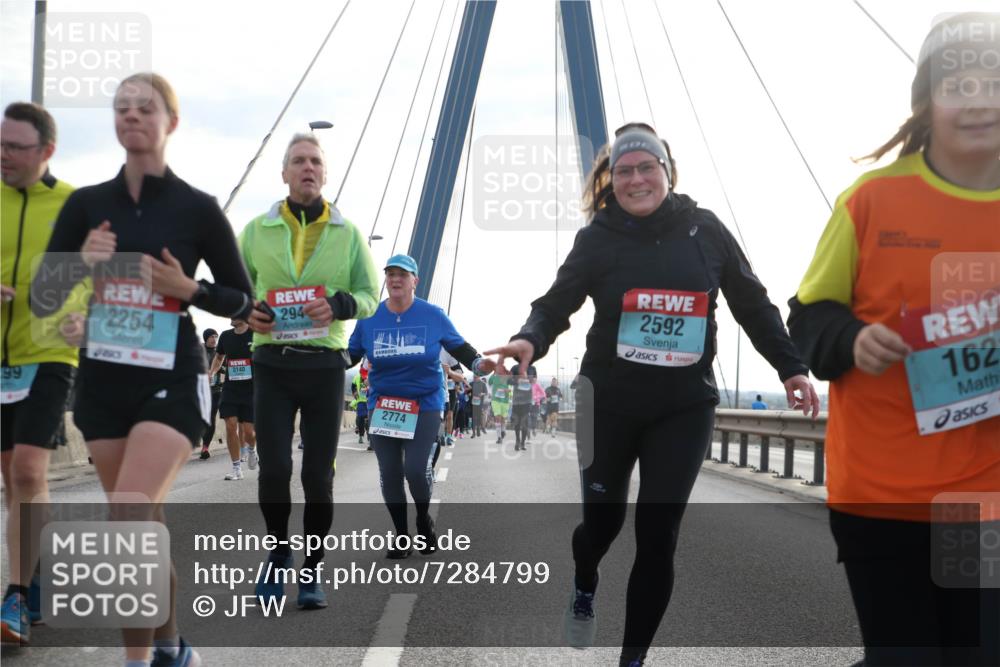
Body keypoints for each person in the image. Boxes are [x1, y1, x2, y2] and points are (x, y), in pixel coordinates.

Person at [486, 122, 819, 666]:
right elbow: (556, 303)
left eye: (647, 168)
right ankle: (585, 578)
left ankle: (632, 660)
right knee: (602, 524)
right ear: (609, 179)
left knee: (658, 530)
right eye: (624, 171)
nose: (636, 179)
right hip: (606, 401)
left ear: (667, 171)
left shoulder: (705, 230)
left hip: (683, 404)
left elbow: (753, 305)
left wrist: (792, 368)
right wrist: (529, 339)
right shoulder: (597, 237)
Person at [788, 12, 999, 666]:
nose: (978, 100)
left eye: (992, 81)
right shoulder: (871, 202)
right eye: (957, 85)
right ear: (925, 104)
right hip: (881, 494)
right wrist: (851, 339)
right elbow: (808, 318)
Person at [31, 72, 254, 666]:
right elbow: (42, 300)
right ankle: (171, 646)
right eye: (121, 107)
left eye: (145, 107)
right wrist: (80, 261)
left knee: (129, 512)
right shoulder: (87, 205)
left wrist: (190, 287)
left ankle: (137, 663)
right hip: (104, 383)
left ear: (170, 123)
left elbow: (242, 302)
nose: (131, 115)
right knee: (142, 523)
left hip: (172, 379)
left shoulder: (197, 210)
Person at [241, 132, 379, 611]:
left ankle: (312, 569)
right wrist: (247, 312)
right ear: (284, 173)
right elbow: (236, 290)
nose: (307, 167)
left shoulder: (349, 233)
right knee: (275, 469)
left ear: (325, 173)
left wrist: (341, 304)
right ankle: (279, 553)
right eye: (298, 160)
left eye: (315, 161)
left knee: (318, 476)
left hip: (324, 365)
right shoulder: (256, 229)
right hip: (272, 364)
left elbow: (369, 295)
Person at [348, 254, 494, 559]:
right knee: (389, 473)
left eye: (403, 274)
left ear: (415, 280)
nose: (395, 279)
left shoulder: (433, 315)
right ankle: (401, 535)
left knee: (415, 469)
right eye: (390, 274)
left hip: (424, 403)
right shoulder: (370, 318)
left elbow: (460, 348)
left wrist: (480, 364)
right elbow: (349, 355)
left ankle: (423, 519)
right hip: (383, 404)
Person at [0, 101, 79, 645]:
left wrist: (88, 314)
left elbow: (104, 270)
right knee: (14, 480)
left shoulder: (75, 205)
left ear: (46, 150)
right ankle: (36, 572)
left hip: (51, 355)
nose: (3, 155)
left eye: (14, 147)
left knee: (28, 470)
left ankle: (16, 598)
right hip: (0, 359)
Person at [209, 319, 257, 480]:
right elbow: (219, 357)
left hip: (251, 389)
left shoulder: (256, 333)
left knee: (249, 432)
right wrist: (212, 371)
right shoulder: (225, 336)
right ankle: (236, 468)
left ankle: (251, 449)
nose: (231, 316)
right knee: (230, 426)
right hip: (231, 388)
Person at [199, 328, 223, 459]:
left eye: (216, 336)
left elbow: (226, 367)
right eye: (211, 337)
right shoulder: (198, 350)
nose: (214, 339)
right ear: (206, 338)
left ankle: (205, 447)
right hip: (199, 390)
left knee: (211, 417)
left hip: (216, 390)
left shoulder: (220, 352)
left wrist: (219, 371)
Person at [488, 372, 510, 445]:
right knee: (498, 417)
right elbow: (489, 382)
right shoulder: (494, 377)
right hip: (495, 401)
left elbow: (511, 390)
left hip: (505, 401)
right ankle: (499, 437)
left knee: (503, 419)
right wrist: (493, 373)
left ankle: (503, 430)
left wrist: (506, 391)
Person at [471, 373, 488, 437]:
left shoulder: (483, 384)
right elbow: (468, 390)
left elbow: (486, 393)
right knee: (473, 417)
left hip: (480, 403)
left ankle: (478, 430)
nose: (474, 378)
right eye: (474, 377)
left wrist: (482, 394)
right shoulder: (472, 383)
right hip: (473, 403)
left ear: (479, 376)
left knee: (479, 417)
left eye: (475, 377)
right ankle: (473, 433)